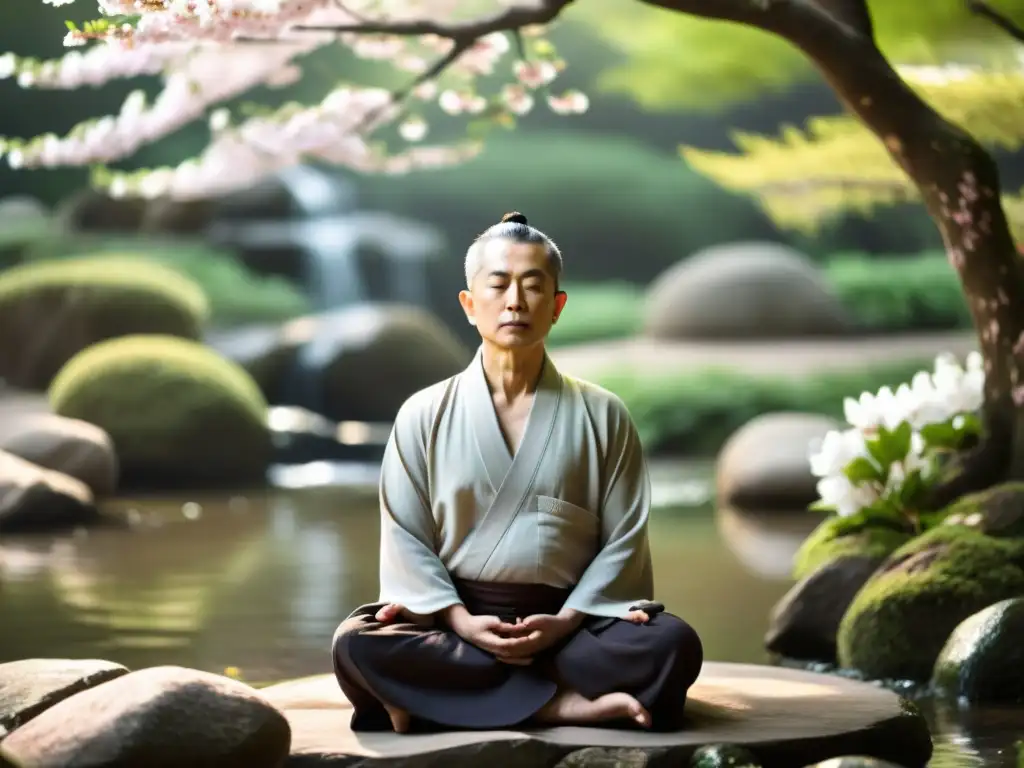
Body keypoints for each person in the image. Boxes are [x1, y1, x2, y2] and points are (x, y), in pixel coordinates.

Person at [331, 211, 704, 734]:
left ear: (556, 307)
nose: (515, 302)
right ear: (468, 303)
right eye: (499, 284)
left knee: (672, 645)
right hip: (458, 623)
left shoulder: (602, 414)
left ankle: (444, 700)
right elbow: (406, 537)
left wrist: (564, 623)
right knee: (356, 642)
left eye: (533, 287)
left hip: (572, 625)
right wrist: (460, 621)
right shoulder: (423, 413)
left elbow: (624, 541)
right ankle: (562, 705)